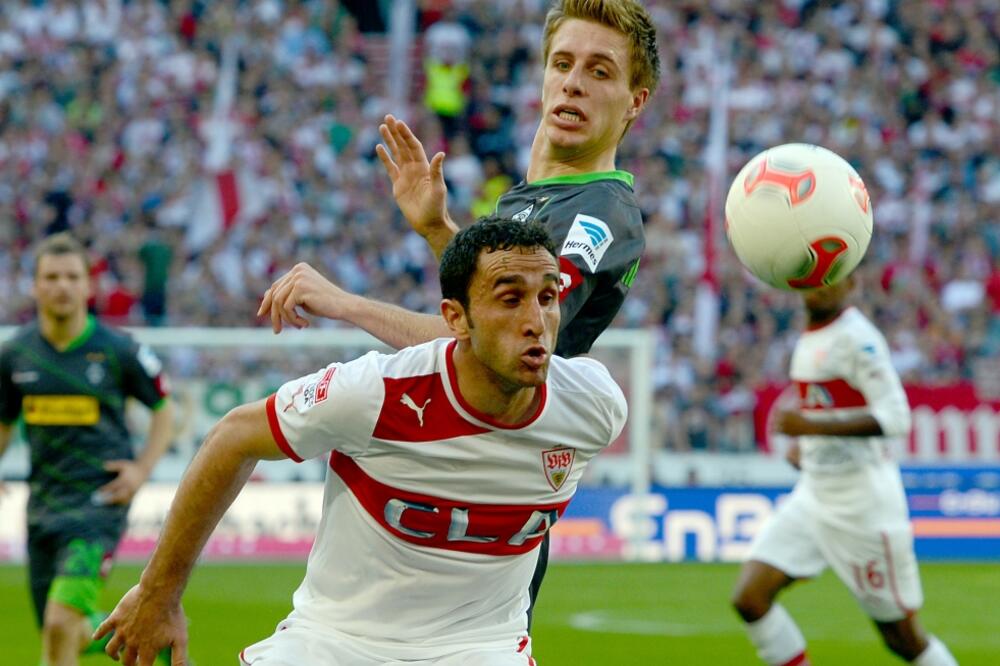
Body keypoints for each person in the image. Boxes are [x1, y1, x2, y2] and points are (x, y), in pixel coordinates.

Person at [258, 0, 660, 622]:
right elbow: (481, 316)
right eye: (562, 64)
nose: (574, 82)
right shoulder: (530, 199)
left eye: (599, 71)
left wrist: (345, 304)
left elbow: (492, 347)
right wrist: (438, 230)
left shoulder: (598, 214)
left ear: (636, 100)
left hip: (491, 479)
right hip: (465, 468)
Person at [96, 217, 627, 666]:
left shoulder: (592, 406)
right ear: (454, 319)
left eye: (548, 298)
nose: (536, 321)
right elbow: (233, 437)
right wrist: (159, 593)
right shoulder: (375, 392)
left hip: (480, 648)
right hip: (334, 642)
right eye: (510, 300)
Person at [730, 274, 957, 666]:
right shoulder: (810, 335)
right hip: (814, 494)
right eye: (812, 279)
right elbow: (830, 404)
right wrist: (808, 444)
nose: (819, 287)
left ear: (851, 284)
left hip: (862, 503)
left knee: (903, 639)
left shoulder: (858, 338)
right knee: (750, 599)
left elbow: (896, 418)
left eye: (830, 279)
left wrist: (810, 428)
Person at [0, 233, 174, 666]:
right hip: (42, 503)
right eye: (51, 277)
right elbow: (4, 422)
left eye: (71, 276)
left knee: (59, 623)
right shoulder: (14, 355)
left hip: (99, 502)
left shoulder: (118, 350)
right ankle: (144, 639)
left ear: (88, 286)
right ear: (35, 286)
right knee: (65, 630)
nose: (62, 285)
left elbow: (164, 409)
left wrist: (141, 469)